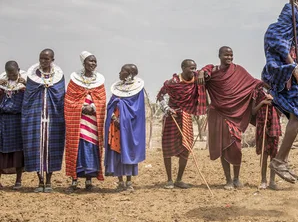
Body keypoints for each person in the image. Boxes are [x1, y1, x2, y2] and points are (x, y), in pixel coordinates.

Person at [262, 0, 298, 184]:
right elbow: (276, 37)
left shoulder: (297, 13)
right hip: (289, 75)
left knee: (297, 115)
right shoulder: (290, 9)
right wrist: (293, 67)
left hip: (292, 73)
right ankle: (280, 160)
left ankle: (281, 160)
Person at [198, 46, 262, 190]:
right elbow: (199, 77)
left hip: (235, 115)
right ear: (219, 55)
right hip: (219, 114)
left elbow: (253, 83)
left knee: (236, 147)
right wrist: (203, 71)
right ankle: (228, 180)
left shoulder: (238, 70)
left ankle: (237, 178)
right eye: (226, 55)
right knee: (223, 147)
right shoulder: (212, 72)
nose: (229, 57)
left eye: (231, 55)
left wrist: (267, 87)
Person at [157, 59, 207, 189]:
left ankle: (179, 179)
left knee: (186, 147)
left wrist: (201, 72)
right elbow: (160, 96)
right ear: (183, 68)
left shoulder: (196, 80)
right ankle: (169, 180)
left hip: (186, 117)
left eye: (195, 68)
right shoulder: (173, 82)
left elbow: (208, 75)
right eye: (191, 68)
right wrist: (167, 109)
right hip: (172, 117)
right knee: (167, 147)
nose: (193, 71)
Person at [22, 49, 66, 192]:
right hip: (36, 117)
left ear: (52, 60)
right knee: (36, 147)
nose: (43, 61)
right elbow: (28, 96)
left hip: (53, 118)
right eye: (41, 58)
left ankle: (49, 181)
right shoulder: (33, 77)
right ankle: (40, 181)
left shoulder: (59, 76)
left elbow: (59, 95)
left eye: (46, 59)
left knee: (51, 146)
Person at [65, 52, 107, 191]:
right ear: (84, 63)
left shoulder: (99, 82)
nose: (93, 64)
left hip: (92, 122)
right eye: (90, 61)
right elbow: (69, 100)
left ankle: (89, 181)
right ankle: (74, 181)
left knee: (91, 149)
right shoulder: (74, 81)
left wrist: (94, 107)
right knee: (76, 148)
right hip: (79, 121)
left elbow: (102, 100)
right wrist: (82, 107)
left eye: (95, 61)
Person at [105, 64, 146, 191]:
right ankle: (120, 181)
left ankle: (129, 182)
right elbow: (110, 104)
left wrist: (123, 118)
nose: (119, 72)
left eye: (122, 70)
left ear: (129, 74)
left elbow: (136, 110)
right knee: (117, 152)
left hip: (130, 127)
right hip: (115, 126)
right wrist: (113, 117)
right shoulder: (116, 89)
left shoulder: (137, 91)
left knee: (129, 151)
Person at [0, 61, 27, 189]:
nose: (11, 76)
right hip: (3, 120)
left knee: (18, 151)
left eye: (13, 73)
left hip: (17, 120)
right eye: (9, 73)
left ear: (18, 70)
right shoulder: (2, 84)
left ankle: (18, 180)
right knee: (1, 151)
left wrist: (27, 84)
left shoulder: (24, 85)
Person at [252, 86, 281, 190]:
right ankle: (263, 180)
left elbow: (282, 110)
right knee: (264, 155)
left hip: (274, 126)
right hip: (262, 126)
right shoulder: (257, 92)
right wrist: (263, 102)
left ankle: (272, 181)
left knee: (274, 155)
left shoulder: (277, 91)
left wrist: (274, 101)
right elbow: (253, 111)